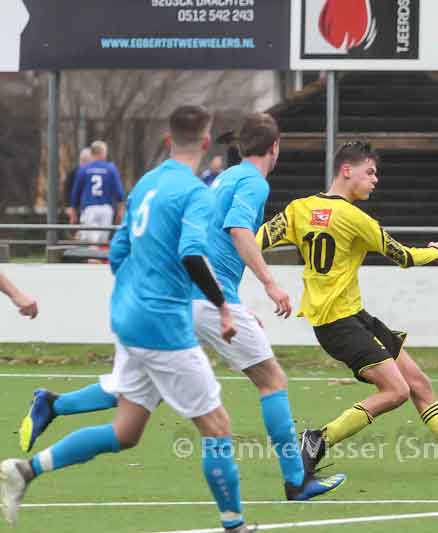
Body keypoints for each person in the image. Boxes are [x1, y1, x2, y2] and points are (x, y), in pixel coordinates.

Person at [17, 113, 345, 501]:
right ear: (275, 148)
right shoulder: (254, 182)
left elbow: (205, 243)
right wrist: (268, 285)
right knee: (272, 381)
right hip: (206, 302)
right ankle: (295, 480)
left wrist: (232, 304)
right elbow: (238, 231)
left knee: (131, 406)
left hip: (181, 302)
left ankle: (53, 405)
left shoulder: (225, 177)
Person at [1, 105, 253, 532]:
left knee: (126, 431)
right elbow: (192, 254)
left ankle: (24, 470)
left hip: (129, 318)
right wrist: (223, 306)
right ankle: (235, 526)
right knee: (217, 426)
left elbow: (118, 252)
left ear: (168, 140)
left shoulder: (145, 184)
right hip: (163, 327)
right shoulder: (196, 194)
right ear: (207, 142)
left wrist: (139, 291)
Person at [255, 141, 438, 477]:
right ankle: (318, 439)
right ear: (346, 170)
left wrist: (257, 275)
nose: (375, 180)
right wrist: (435, 252)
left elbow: (255, 240)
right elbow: (404, 256)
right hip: (339, 325)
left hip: (355, 317)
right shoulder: (356, 219)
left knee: (419, 383)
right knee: (396, 391)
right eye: (370, 172)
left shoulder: (298, 209)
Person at [70, 140, 125, 244]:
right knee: (103, 242)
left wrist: (73, 212)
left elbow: (75, 193)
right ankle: (99, 253)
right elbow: (119, 192)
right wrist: (120, 211)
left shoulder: (84, 169)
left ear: (92, 153)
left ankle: (92, 253)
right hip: (106, 209)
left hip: (89, 208)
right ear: (103, 152)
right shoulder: (110, 168)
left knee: (91, 242)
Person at [64, 147, 92, 214]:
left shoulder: (95, 173)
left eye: (87, 160)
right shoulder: (73, 173)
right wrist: (68, 206)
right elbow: (67, 190)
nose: (84, 162)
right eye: (82, 160)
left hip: (90, 207)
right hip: (77, 208)